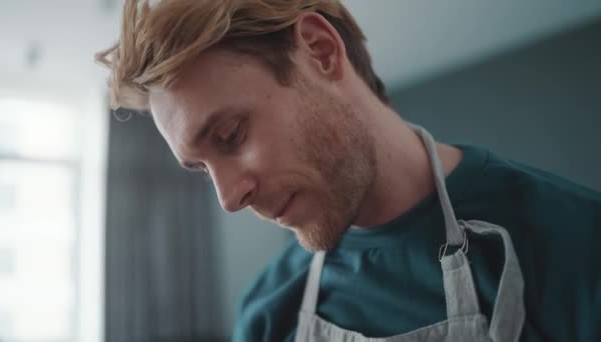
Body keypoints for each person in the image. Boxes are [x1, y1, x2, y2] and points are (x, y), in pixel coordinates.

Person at [95, 1, 601, 341]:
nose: (229, 199)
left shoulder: (575, 245)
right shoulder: (268, 312)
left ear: (319, 51)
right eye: (202, 170)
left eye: (231, 136)